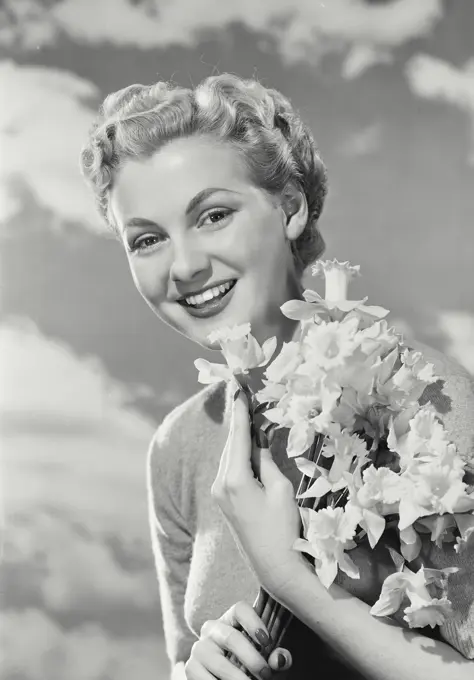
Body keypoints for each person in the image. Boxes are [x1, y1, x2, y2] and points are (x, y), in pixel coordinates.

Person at [80, 73, 474, 680]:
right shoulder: (179, 448)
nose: (183, 266)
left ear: (289, 208)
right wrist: (197, 668)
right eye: (148, 239)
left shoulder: (419, 394)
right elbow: (179, 662)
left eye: (213, 215)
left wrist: (291, 582)